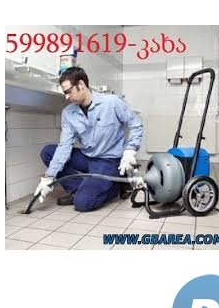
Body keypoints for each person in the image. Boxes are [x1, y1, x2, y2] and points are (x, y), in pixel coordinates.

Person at [34, 67, 143, 212]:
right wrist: (48, 176)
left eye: (68, 91)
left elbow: (136, 125)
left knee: (83, 203)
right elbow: (64, 146)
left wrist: (130, 150)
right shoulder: (68, 113)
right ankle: (76, 190)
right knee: (48, 152)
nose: (66, 97)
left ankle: (116, 186)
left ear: (81, 85)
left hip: (108, 161)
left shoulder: (112, 103)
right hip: (87, 157)